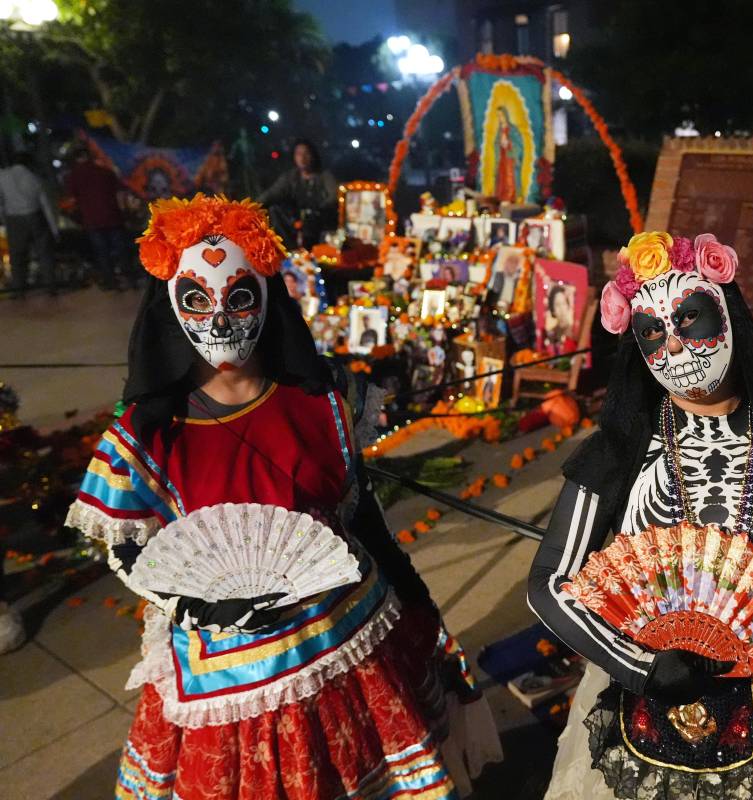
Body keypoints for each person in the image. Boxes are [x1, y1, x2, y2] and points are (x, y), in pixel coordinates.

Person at [64, 195, 500, 799]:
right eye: (196, 299)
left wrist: (433, 631)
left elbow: (363, 522)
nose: (218, 320)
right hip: (231, 683)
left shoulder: (323, 401)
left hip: (349, 645)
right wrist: (199, 606)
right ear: (168, 305)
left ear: (267, 298)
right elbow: (132, 551)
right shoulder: (146, 435)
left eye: (238, 296)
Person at [527, 232, 753, 800]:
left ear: (730, 318)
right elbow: (548, 586)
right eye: (653, 333)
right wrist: (641, 666)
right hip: (639, 714)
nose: (676, 350)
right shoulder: (619, 454)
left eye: (690, 320)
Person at [65, 146, 134, 290]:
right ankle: (129, 278)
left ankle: (111, 282)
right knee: (121, 249)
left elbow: (72, 200)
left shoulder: (74, 175)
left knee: (102, 253)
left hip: (92, 220)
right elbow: (120, 193)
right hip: (113, 216)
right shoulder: (105, 172)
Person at [257, 139, 338, 249]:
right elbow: (271, 194)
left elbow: (334, 196)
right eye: (299, 154)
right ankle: (289, 250)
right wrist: (252, 207)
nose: (302, 158)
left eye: (306, 153)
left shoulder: (324, 176)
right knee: (274, 209)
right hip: (296, 221)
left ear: (313, 156)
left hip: (319, 220)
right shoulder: (290, 177)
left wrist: (318, 209)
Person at [0, 152, 58, 295]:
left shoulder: (3, 176)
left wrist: (4, 221)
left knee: (17, 255)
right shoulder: (34, 178)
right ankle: (50, 284)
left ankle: (19, 288)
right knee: (44, 253)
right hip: (35, 216)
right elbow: (46, 206)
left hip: (13, 218)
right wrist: (54, 229)